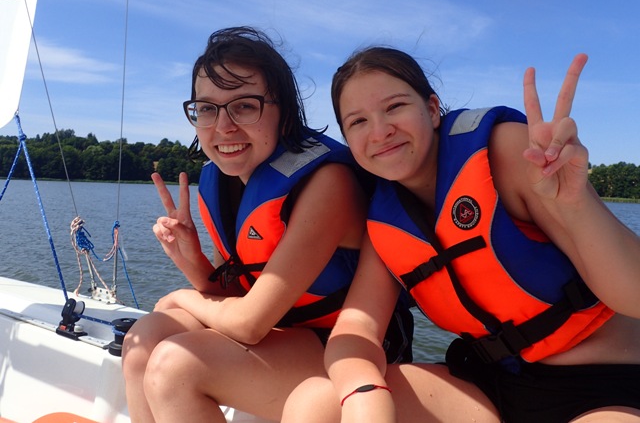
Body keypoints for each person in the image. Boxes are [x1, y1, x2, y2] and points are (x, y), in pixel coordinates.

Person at [282, 47, 640, 423]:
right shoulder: (386, 219)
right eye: (357, 122)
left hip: (603, 387)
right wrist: (363, 392)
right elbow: (357, 328)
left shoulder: (511, 153)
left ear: (432, 109)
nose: (380, 131)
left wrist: (576, 206)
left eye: (394, 107)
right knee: (317, 401)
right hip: (491, 386)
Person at [121, 29, 412, 423]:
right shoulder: (226, 183)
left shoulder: (327, 184)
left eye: (244, 106)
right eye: (206, 109)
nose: (223, 126)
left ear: (285, 114)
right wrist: (191, 260)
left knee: (175, 366)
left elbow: (250, 323)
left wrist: (180, 296)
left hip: (353, 350)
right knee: (142, 343)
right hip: (283, 334)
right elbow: (237, 299)